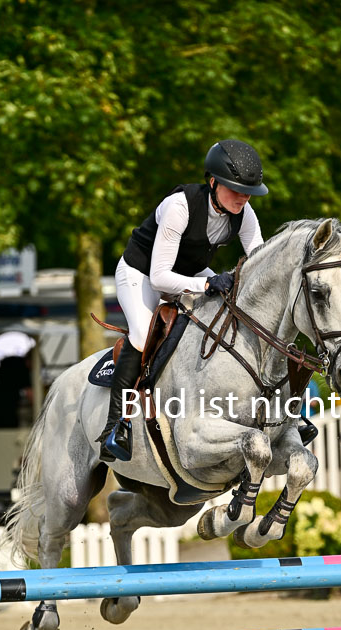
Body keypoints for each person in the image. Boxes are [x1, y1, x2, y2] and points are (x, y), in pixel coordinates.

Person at [97, 139, 268, 462]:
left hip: (186, 273)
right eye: (236, 189)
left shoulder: (244, 215)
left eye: (248, 191)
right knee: (142, 333)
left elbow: (259, 260)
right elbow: (160, 277)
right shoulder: (180, 206)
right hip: (142, 274)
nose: (243, 197)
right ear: (213, 182)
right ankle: (114, 426)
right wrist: (207, 282)